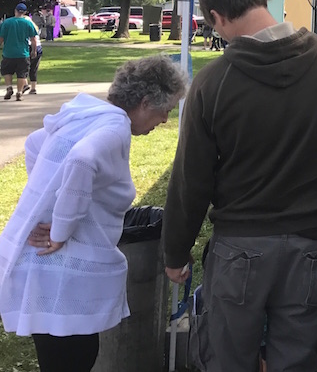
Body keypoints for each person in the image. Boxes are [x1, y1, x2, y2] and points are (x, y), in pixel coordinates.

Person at [162, 0, 317, 372]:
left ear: (216, 17)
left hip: (239, 247)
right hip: (314, 243)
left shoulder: (213, 82)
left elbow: (191, 179)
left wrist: (175, 250)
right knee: (300, 360)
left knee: (227, 360)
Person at [0, 55, 186, 372]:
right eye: (165, 110)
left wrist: (49, 198)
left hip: (46, 273)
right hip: (63, 276)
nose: (165, 120)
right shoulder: (115, 128)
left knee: (60, 357)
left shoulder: (89, 114)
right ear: (144, 103)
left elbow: (35, 143)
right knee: (74, 357)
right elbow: (81, 160)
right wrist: (60, 230)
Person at [1, 3, 40, 102]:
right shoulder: (28, 23)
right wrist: (34, 50)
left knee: (7, 71)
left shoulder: (6, 22)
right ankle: (19, 92)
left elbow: (1, 38)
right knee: (22, 74)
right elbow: (33, 39)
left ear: (15, 10)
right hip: (23, 53)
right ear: (25, 12)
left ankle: (9, 87)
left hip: (8, 52)